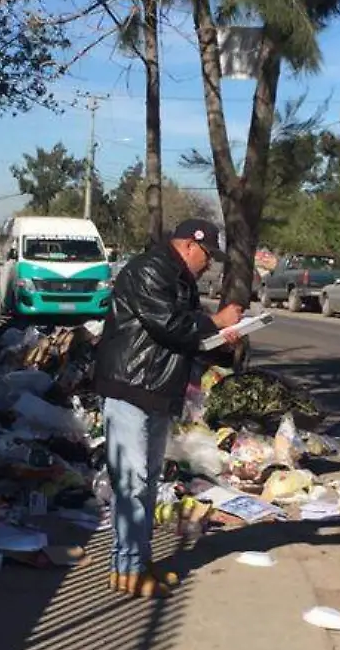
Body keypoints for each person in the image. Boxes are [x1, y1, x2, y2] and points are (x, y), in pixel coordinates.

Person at [92, 219, 245, 597]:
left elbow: (184, 336)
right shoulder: (149, 270)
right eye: (208, 256)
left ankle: (138, 563)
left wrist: (220, 339)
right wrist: (216, 321)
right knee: (132, 484)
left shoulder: (177, 279)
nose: (209, 265)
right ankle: (127, 569)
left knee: (145, 484)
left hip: (154, 390)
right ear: (190, 246)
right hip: (131, 388)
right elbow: (170, 325)